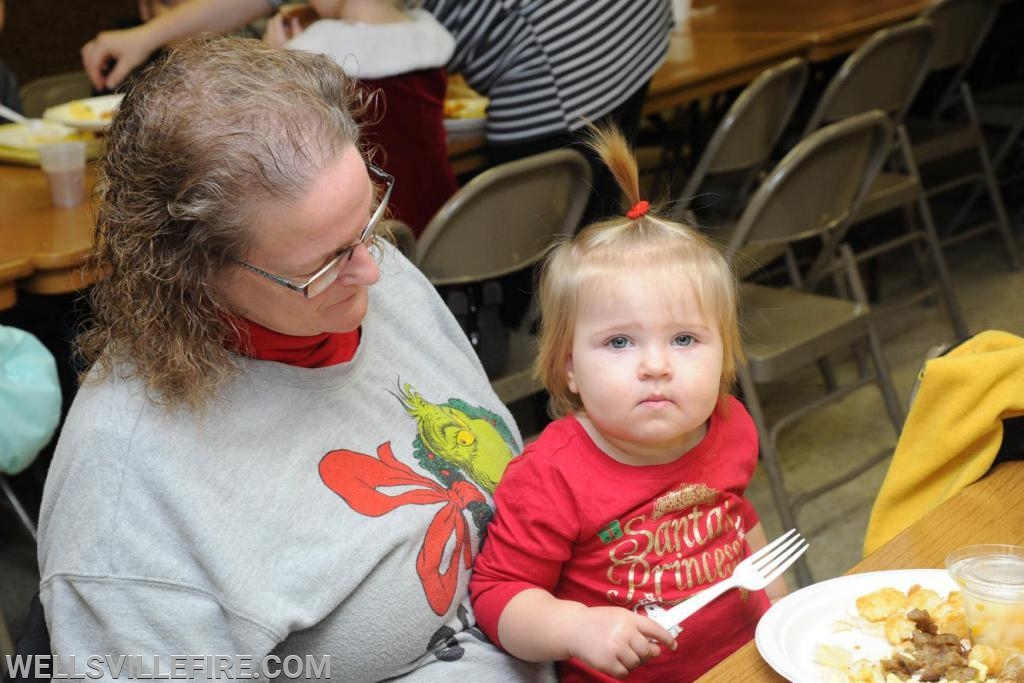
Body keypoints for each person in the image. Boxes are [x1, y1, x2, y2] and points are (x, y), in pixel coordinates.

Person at [38, 35, 551, 681]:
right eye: (326, 261)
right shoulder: (128, 495)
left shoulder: (362, 276)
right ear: (191, 271)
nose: (370, 268)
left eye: (367, 221)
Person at [467, 127, 788, 682]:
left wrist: (782, 616)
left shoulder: (729, 425)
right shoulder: (552, 476)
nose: (656, 365)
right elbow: (497, 596)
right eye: (619, 342)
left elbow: (737, 520)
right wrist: (576, 628)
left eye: (684, 339)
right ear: (569, 366)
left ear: (725, 353)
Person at [80, 0, 673, 216]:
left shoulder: (321, 47)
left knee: (546, 233)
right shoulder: (423, 36)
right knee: (569, 222)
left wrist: (274, 53)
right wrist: (148, 35)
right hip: (631, 29)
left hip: (561, 53)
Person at [262, 0, 458, 236]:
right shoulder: (429, 34)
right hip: (444, 216)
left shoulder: (314, 50)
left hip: (373, 224)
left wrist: (275, 59)